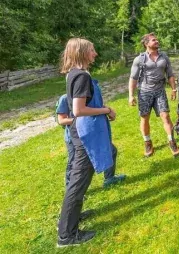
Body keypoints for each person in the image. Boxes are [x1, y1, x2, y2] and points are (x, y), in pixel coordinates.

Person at [57, 38, 122, 247]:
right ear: (83, 52)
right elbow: (78, 110)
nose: (95, 53)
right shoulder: (82, 76)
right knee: (78, 180)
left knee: (81, 179)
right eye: (92, 50)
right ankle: (67, 235)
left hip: (82, 132)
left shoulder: (73, 73)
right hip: (85, 133)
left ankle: (75, 216)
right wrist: (106, 110)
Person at [56, 94, 126, 189]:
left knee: (111, 150)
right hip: (74, 138)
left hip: (91, 132)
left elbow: (98, 107)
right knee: (74, 162)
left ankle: (109, 178)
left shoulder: (87, 96)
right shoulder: (64, 98)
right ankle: (71, 188)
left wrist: (108, 111)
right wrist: (83, 120)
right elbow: (61, 120)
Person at [128, 33, 179, 157]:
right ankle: (147, 142)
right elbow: (133, 78)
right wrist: (131, 95)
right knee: (145, 117)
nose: (157, 41)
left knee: (166, 116)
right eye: (153, 40)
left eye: (157, 39)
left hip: (160, 91)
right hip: (145, 92)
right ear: (146, 44)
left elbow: (170, 74)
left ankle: (171, 141)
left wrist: (174, 89)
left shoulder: (164, 57)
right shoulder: (139, 59)